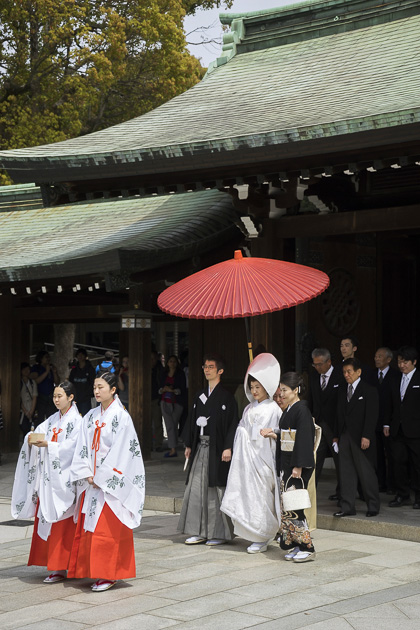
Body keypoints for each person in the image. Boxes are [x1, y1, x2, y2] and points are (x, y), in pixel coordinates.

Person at [68, 371, 145, 592]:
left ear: (113, 390)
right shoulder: (90, 416)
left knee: (107, 530)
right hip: (92, 480)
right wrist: (87, 472)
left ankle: (109, 574)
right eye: (94, 387)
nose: (96, 391)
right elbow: (82, 447)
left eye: (101, 387)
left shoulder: (122, 417)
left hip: (110, 483)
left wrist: (102, 476)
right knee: (91, 528)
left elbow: (124, 452)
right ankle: (92, 570)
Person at [11, 381, 81, 583]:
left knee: (63, 524)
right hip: (49, 478)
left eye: (60, 396)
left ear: (71, 397)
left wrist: (49, 445)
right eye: (54, 396)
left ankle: (62, 566)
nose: (56, 399)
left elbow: (71, 447)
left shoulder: (77, 421)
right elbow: (37, 432)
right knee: (48, 520)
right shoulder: (51, 420)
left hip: (64, 479)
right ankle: (54, 566)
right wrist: (30, 438)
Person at [221, 353, 281, 553]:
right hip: (247, 460)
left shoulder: (273, 409)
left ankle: (263, 535)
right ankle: (252, 533)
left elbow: (273, 434)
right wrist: (243, 434)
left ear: (267, 388)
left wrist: (252, 435)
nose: (255, 391)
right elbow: (241, 429)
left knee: (262, 497)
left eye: (258, 387)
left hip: (262, 459)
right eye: (252, 387)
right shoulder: (248, 408)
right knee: (248, 495)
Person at [178, 353, 238, 546]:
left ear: (220, 371)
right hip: (200, 448)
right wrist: (189, 444)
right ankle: (198, 531)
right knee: (196, 490)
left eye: (211, 366)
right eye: (205, 366)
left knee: (215, 491)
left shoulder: (227, 397)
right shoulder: (200, 395)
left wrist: (228, 447)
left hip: (217, 449)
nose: (207, 369)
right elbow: (191, 420)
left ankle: (217, 533)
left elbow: (232, 424)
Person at [262, 372, 316, 563]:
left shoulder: (302, 410)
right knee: (288, 508)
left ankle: (307, 547)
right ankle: (296, 544)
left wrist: (298, 466)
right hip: (289, 462)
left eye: (284, 390)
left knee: (296, 507)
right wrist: (275, 434)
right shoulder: (290, 409)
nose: (281, 394)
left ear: (296, 390)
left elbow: (303, 440)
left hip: (296, 465)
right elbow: (289, 437)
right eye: (280, 390)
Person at [334, 357, 380, 518]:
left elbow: (372, 416)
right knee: (346, 472)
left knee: (366, 472)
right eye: (344, 372)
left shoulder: (369, 390)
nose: (346, 375)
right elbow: (339, 414)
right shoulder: (342, 390)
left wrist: (367, 435)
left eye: (349, 372)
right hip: (345, 435)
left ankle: (373, 505)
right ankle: (347, 507)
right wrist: (336, 436)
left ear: (358, 372)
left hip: (361, 436)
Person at [385, 346, 420, 509]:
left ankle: (418, 496)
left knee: (417, 464)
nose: (402, 365)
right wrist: (387, 423)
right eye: (400, 361)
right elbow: (389, 403)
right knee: (398, 462)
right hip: (397, 429)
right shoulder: (395, 378)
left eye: (405, 362)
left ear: (414, 362)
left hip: (415, 430)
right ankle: (402, 494)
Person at [307, 348, 344, 500]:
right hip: (318, 424)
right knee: (315, 458)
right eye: (314, 364)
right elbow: (311, 399)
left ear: (329, 362)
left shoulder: (341, 375)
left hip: (335, 424)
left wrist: (339, 429)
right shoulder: (314, 376)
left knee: (340, 460)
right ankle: (310, 492)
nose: (317, 367)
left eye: (320, 364)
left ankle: (342, 493)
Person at [369, 347, 399, 493]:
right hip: (374, 422)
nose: (376, 359)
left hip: (390, 422)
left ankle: (393, 485)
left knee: (392, 455)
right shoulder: (371, 375)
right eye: (375, 356)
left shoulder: (396, 376)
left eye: (380, 356)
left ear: (388, 359)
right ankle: (381, 483)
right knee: (377, 455)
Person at [159, 355, 187, 458]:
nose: (172, 363)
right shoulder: (164, 374)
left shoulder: (180, 374)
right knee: (169, 425)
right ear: (167, 363)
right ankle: (173, 449)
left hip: (177, 402)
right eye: (170, 361)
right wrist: (164, 389)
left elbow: (182, 388)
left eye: (174, 361)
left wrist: (173, 390)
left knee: (174, 424)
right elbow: (159, 388)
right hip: (165, 401)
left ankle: (173, 447)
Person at [30, 350, 59, 424]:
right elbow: (36, 381)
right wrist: (46, 372)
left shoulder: (51, 368)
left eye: (49, 357)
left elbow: (57, 382)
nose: (48, 359)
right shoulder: (36, 367)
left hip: (50, 396)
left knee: (51, 417)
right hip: (40, 396)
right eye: (46, 357)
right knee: (40, 417)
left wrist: (54, 372)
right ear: (41, 358)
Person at [69, 347, 95, 417]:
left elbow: (92, 382)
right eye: (78, 355)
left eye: (82, 355)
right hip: (75, 398)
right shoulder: (74, 369)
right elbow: (70, 382)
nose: (80, 356)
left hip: (85, 399)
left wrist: (89, 393)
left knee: (86, 417)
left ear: (85, 356)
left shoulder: (90, 369)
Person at [151, 350, 165, 451]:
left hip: (156, 398)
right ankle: (148, 444)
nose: (152, 360)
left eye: (153, 358)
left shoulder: (160, 370)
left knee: (157, 423)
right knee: (146, 423)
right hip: (145, 398)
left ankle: (158, 444)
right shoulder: (144, 368)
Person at [20, 362, 38, 437]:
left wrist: (31, 411)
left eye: (28, 369)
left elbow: (34, 397)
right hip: (22, 410)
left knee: (30, 431)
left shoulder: (32, 382)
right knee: (22, 428)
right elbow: (18, 399)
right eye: (24, 369)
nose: (26, 371)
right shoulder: (19, 382)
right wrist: (26, 412)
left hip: (31, 409)